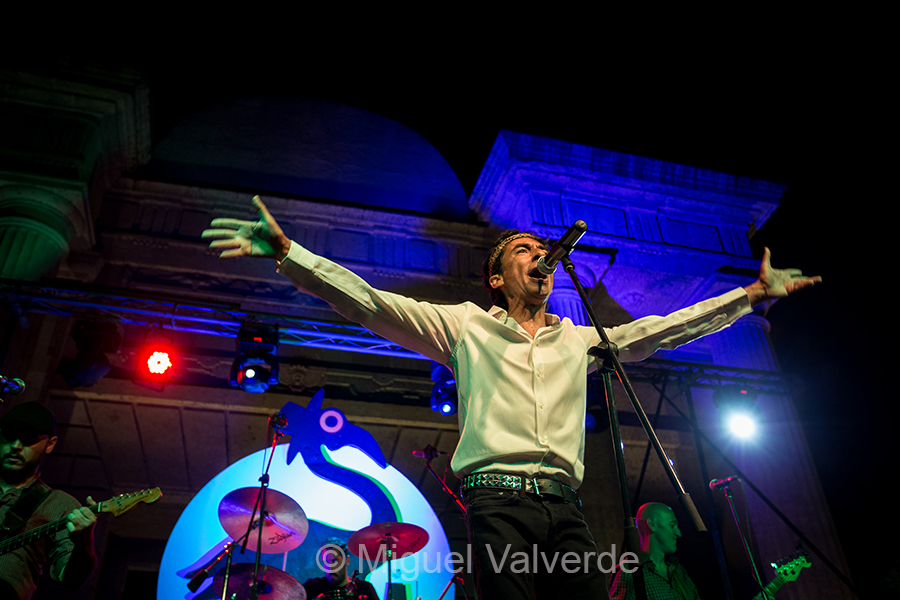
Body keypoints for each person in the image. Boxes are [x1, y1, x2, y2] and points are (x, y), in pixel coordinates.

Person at [202, 196, 821, 600]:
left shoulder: (579, 340)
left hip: (566, 508)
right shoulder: (467, 327)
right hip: (497, 503)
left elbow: (660, 330)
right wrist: (290, 255)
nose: (539, 256)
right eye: (524, 250)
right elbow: (370, 303)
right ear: (497, 278)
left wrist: (747, 297)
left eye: (542, 251)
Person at [0, 402, 98, 600]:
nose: (16, 446)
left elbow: (71, 580)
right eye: (9, 437)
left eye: (28, 440)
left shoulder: (61, 505)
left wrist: (84, 543)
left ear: (50, 444)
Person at [609, 503, 701, 600]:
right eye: (672, 525)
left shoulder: (678, 571)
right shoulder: (630, 572)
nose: (678, 533)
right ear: (652, 525)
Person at [302, 539, 380, 599]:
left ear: (347, 560)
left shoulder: (365, 588)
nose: (330, 567)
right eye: (326, 562)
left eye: (335, 561)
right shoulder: (312, 587)